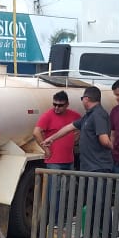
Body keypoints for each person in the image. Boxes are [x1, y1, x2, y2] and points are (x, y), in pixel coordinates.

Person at [43, 87, 114, 238]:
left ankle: (105, 237)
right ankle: (90, 235)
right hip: (90, 167)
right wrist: (52, 139)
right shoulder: (88, 116)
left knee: (100, 202)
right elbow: (69, 128)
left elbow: (103, 139)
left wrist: (112, 147)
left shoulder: (99, 115)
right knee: (92, 202)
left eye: (82, 98)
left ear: (86, 99)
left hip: (99, 166)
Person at [33, 92, 82, 226]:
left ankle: (61, 220)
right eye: (54, 104)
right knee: (54, 193)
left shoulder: (74, 115)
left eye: (60, 105)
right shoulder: (48, 115)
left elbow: (82, 126)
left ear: (66, 105)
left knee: (66, 192)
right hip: (54, 161)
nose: (56, 108)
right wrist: (46, 149)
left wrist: (76, 138)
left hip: (69, 160)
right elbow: (36, 132)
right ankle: (53, 221)